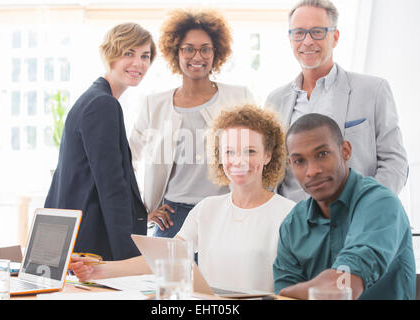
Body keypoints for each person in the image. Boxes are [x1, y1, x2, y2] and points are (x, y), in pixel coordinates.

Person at [70, 104, 296, 293]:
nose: (238, 161)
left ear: (268, 155)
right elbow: (164, 259)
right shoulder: (207, 209)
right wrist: (98, 269)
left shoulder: (288, 214)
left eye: (250, 151)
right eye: (230, 152)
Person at [264, 0, 408, 203]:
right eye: (299, 33)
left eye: (317, 32)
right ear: (290, 38)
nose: (307, 41)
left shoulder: (373, 90)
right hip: (292, 220)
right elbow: (269, 168)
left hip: (354, 216)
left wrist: (368, 207)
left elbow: (395, 162)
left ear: (335, 37)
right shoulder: (275, 100)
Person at [129, 8, 255, 238]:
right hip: (173, 218)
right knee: (166, 274)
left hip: (226, 213)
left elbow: (262, 155)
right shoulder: (154, 104)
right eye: (188, 49)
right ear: (175, 52)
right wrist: (141, 211)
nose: (197, 57)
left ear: (216, 52)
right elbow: (127, 159)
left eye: (205, 49)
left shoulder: (240, 97)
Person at [273, 113, 416, 300]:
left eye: (322, 154)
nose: (312, 171)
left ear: (345, 151)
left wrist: (297, 293)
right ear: (290, 165)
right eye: (300, 161)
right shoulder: (292, 225)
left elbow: (342, 286)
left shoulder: (381, 204)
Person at [44, 23, 156, 261]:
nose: (139, 63)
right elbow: (111, 185)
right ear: (110, 54)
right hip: (93, 242)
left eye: (145, 56)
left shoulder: (93, 99)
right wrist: (129, 261)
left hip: (78, 235)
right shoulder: (102, 104)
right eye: (129, 53)